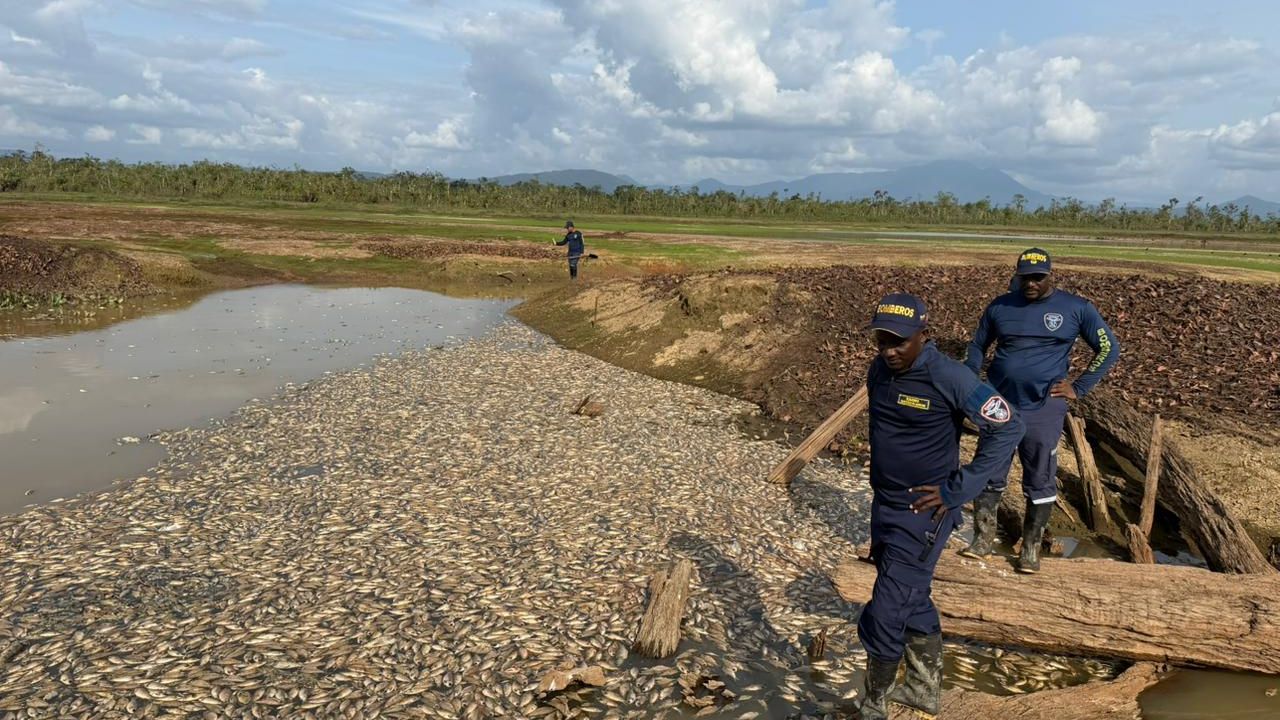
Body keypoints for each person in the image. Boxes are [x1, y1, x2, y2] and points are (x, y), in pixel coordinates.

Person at [857, 293, 1024, 720]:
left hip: (924, 512)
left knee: (885, 611)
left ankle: (873, 705)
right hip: (885, 504)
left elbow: (1009, 427)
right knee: (911, 597)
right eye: (882, 340)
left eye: (899, 341)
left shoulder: (950, 376)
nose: (889, 350)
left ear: (923, 336)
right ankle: (923, 689)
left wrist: (959, 489)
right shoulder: (879, 369)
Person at [962, 248, 1120, 573]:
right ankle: (983, 539)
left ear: (1051, 275)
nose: (1031, 283)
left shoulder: (1076, 308)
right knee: (990, 470)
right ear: (1017, 276)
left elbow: (1108, 348)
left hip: (1044, 407)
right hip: (999, 405)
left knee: (1040, 477)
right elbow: (978, 345)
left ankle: (1031, 549)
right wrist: (971, 379)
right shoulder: (1000, 306)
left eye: (1038, 277)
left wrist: (1079, 387)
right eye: (1025, 277)